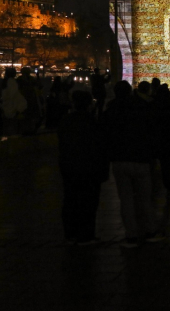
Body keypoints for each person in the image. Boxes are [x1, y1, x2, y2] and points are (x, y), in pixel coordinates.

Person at [103, 80, 165, 247]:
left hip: (119, 159)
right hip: (140, 158)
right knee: (145, 198)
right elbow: (152, 131)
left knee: (126, 199)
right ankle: (150, 231)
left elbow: (105, 136)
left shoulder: (110, 110)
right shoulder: (141, 108)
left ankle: (131, 235)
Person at [58, 90, 107, 245]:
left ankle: (70, 233)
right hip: (89, 168)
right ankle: (86, 234)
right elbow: (99, 146)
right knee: (88, 202)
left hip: (69, 166)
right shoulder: (92, 122)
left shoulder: (66, 120)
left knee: (70, 200)